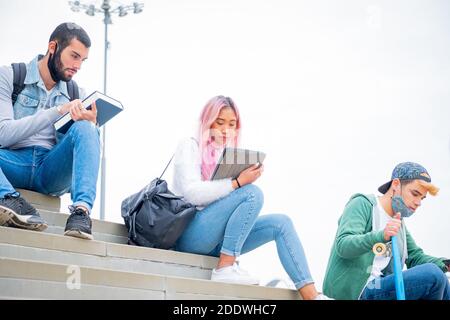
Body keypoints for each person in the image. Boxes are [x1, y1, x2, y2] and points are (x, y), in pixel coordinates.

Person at [171, 95, 332, 300]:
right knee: (251, 193)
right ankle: (225, 268)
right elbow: (192, 194)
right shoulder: (189, 145)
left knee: (281, 223)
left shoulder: (225, 153)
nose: (225, 130)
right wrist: (237, 183)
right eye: (219, 122)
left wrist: (242, 176)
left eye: (232, 124)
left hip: (216, 241)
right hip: (191, 234)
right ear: (207, 120)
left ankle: (312, 296)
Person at [0, 22, 100, 240]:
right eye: (74, 56)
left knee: (87, 128)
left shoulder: (77, 93)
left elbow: (77, 147)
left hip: (51, 170)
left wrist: (88, 125)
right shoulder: (9, 76)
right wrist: (58, 111)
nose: (78, 66)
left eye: (82, 60)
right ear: (53, 47)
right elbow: (3, 134)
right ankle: (8, 199)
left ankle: (81, 213)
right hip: (11, 163)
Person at [323, 162, 450, 300]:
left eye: (422, 198)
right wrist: (381, 235)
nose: (418, 202)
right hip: (359, 292)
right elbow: (343, 245)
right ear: (395, 184)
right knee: (433, 275)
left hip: (379, 286)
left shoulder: (399, 223)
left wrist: (447, 264)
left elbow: (415, 257)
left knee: (442, 278)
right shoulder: (363, 204)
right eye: (415, 194)